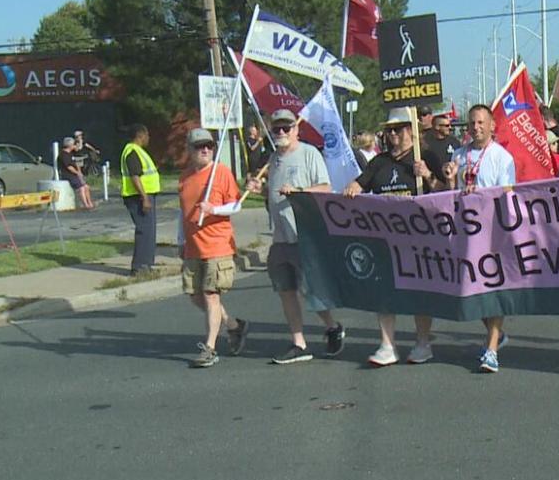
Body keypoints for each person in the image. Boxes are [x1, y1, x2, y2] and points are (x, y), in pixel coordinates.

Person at [343, 107, 446, 367]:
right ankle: (387, 344)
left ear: (410, 131)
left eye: (397, 129)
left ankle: (423, 342)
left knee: (419, 291)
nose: (392, 135)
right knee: (385, 290)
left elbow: (446, 192)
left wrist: (429, 176)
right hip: (385, 238)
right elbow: (359, 184)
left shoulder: (426, 156)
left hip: (419, 237)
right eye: (389, 130)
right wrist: (353, 188)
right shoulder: (379, 162)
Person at [243, 109, 346, 365]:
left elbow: (325, 188)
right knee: (285, 290)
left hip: (305, 236)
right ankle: (298, 342)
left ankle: (332, 326)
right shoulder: (273, 160)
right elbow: (274, 194)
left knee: (310, 290)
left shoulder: (309, 154)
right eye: (276, 128)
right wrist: (261, 190)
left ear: (296, 129)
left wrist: (298, 191)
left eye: (286, 128)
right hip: (280, 237)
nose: (281, 133)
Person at [439, 104, 517, 373]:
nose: (476, 127)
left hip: (491, 233)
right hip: (464, 233)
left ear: (492, 125)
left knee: (490, 291)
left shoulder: (502, 157)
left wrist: (480, 194)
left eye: (482, 122)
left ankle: (492, 349)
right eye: (472, 123)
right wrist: (450, 181)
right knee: (471, 292)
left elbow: (507, 194)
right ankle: (498, 334)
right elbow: (451, 195)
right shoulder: (459, 155)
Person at [178, 128, 249, 368]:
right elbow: (183, 213)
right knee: (195, 295)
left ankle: (210, 348)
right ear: (189, 150)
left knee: (211, 295)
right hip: (193, 246)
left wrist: (213, 210)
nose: (205, 150)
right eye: (199, 146)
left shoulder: (221, 172)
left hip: (217, 244)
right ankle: (233, 326)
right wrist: (181, 240)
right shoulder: (185, 177)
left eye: (209, 145)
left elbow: (236, 205)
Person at [120, 124, 160, 276]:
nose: (148, 138)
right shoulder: (132, 151)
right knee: (145, 230)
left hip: (145, 195)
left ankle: (147, 265)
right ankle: (140, 267)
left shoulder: (138, 151)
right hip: (139, 197)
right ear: (140, 135)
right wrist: (144, 198)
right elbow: (135, 176)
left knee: (149, 230)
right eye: (147, 135)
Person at [58, 136, 95, 210]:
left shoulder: (71, 153)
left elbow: (76, 163)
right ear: (70, 145)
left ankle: (90, 203)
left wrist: (79, 172)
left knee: (86, 187)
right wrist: (77, 173)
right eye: (74, 144)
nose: (75, 146)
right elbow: (69, 167)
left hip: (75, 174)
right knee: (81, 188)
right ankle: (85, 205)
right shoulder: (63, 155)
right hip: (68, 175)